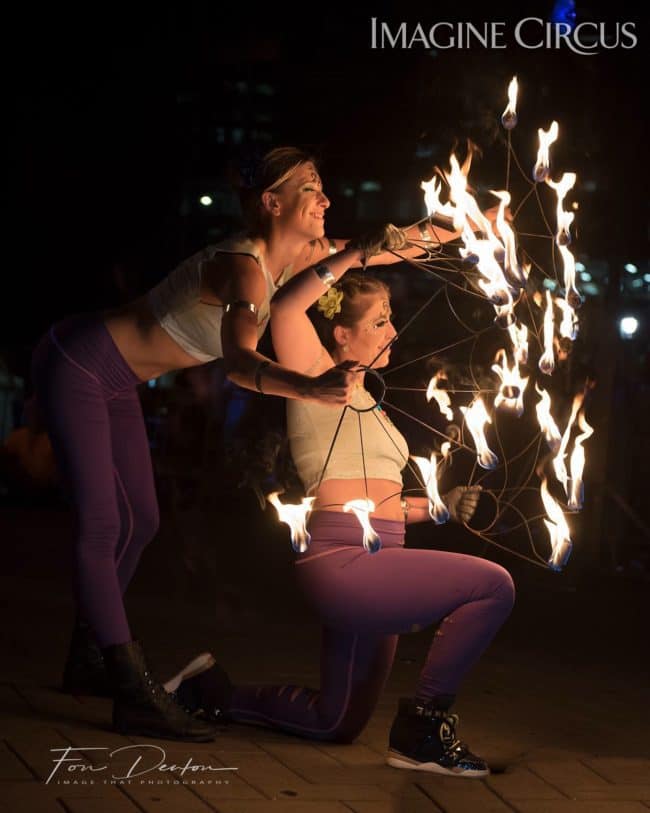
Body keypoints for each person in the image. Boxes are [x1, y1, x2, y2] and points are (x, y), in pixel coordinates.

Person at [30, 146, 458, 742]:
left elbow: (392, 245)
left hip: (120, 379)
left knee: (144, 521)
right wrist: (310, 387)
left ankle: (89, 655)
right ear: (272, 202)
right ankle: (130, 688)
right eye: (311, 187)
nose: (326, 198)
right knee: (104, 525)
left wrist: (467, 223)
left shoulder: (307, 256)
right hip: (79, 362)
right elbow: (238, 363)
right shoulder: (243, 267)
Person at [168, 269, 516, 775]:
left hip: (379, 563)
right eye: (380, 321)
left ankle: (210, 691)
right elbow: (287, 309)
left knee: (334, 722)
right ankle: (423, 729)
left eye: (391, 319)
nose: (393, 332)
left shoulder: (371, 404)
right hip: (344, 563)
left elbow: (378, 501)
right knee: (494, 587)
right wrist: (353, 255)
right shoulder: (315, 380)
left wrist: (439, 504)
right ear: (341, 335)